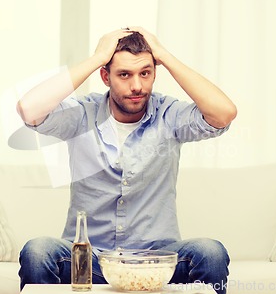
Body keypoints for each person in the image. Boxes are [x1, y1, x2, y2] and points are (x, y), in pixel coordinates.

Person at [16, 26, 237, 294]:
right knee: (37, 251)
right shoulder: (82, 114)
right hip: (91, 261)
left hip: (157, 262)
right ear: (105, 77)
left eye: (145, 73)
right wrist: (98, 57)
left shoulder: (169, 115)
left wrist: (164, 55)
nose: (137, 86)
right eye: (124, 74)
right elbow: (28, 109)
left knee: (210, 252)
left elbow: (224, 113)